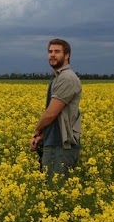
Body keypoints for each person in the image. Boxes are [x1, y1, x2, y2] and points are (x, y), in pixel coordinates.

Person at [30, 38, 82, 180]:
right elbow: (58, 118)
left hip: (60, 147)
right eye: (50, 51)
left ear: (67, 55)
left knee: (54, 190)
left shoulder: (67, 78)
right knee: (51, 192)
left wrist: (37, 131)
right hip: (54, 143)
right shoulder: (59, 78)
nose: (52, 55)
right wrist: (43, 136)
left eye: (57, 51)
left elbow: (51, 114)